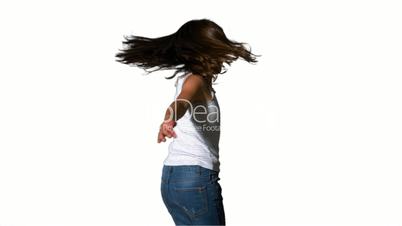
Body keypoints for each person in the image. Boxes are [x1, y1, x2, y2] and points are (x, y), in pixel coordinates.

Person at [115, 18, 259, 225]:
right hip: (196, 179)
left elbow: (181, 101)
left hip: (173, 180)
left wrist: (170, 118)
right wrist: (170, 118)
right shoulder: (196, 80)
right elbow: (181, 101)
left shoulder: (190, 78)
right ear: (207, 50)